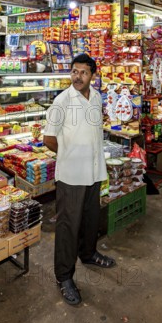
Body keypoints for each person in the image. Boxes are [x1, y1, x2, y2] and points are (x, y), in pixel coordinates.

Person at [43, 53, 115, 306]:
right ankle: (64, 276)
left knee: (90, 218)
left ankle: (88, 254)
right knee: (67, 226)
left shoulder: (96, 97)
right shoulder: (62, 101)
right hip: (72, 175)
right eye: (74, 71)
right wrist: (69, 155)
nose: (78, 76)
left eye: (83, 72)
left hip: (94, 171)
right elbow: (49, 139)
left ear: (92, 75)